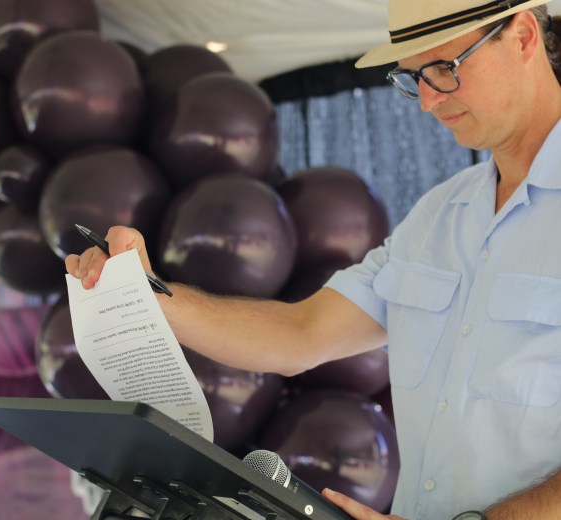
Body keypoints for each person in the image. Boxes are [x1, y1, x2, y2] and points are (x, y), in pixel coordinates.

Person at [66, 0, 561, 518]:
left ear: (524, 36)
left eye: (444, 69)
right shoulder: (440, 216)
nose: (428, 102)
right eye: (415, 78)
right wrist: (150, 295)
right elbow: (302, 332)